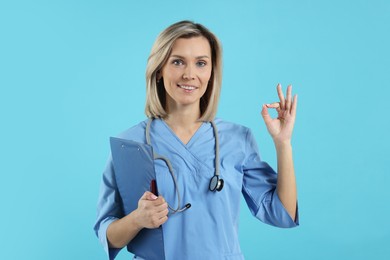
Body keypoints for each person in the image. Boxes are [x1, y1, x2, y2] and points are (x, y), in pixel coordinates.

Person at [94, 20, 299, 260]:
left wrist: (283, 143)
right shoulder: (129, 144)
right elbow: (107, 234)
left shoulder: (237, 139)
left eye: (201, 63)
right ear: (159, 69)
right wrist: (137, 219)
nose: (189, 74)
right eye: (178, 62)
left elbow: (281, 214)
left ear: (211, 72)